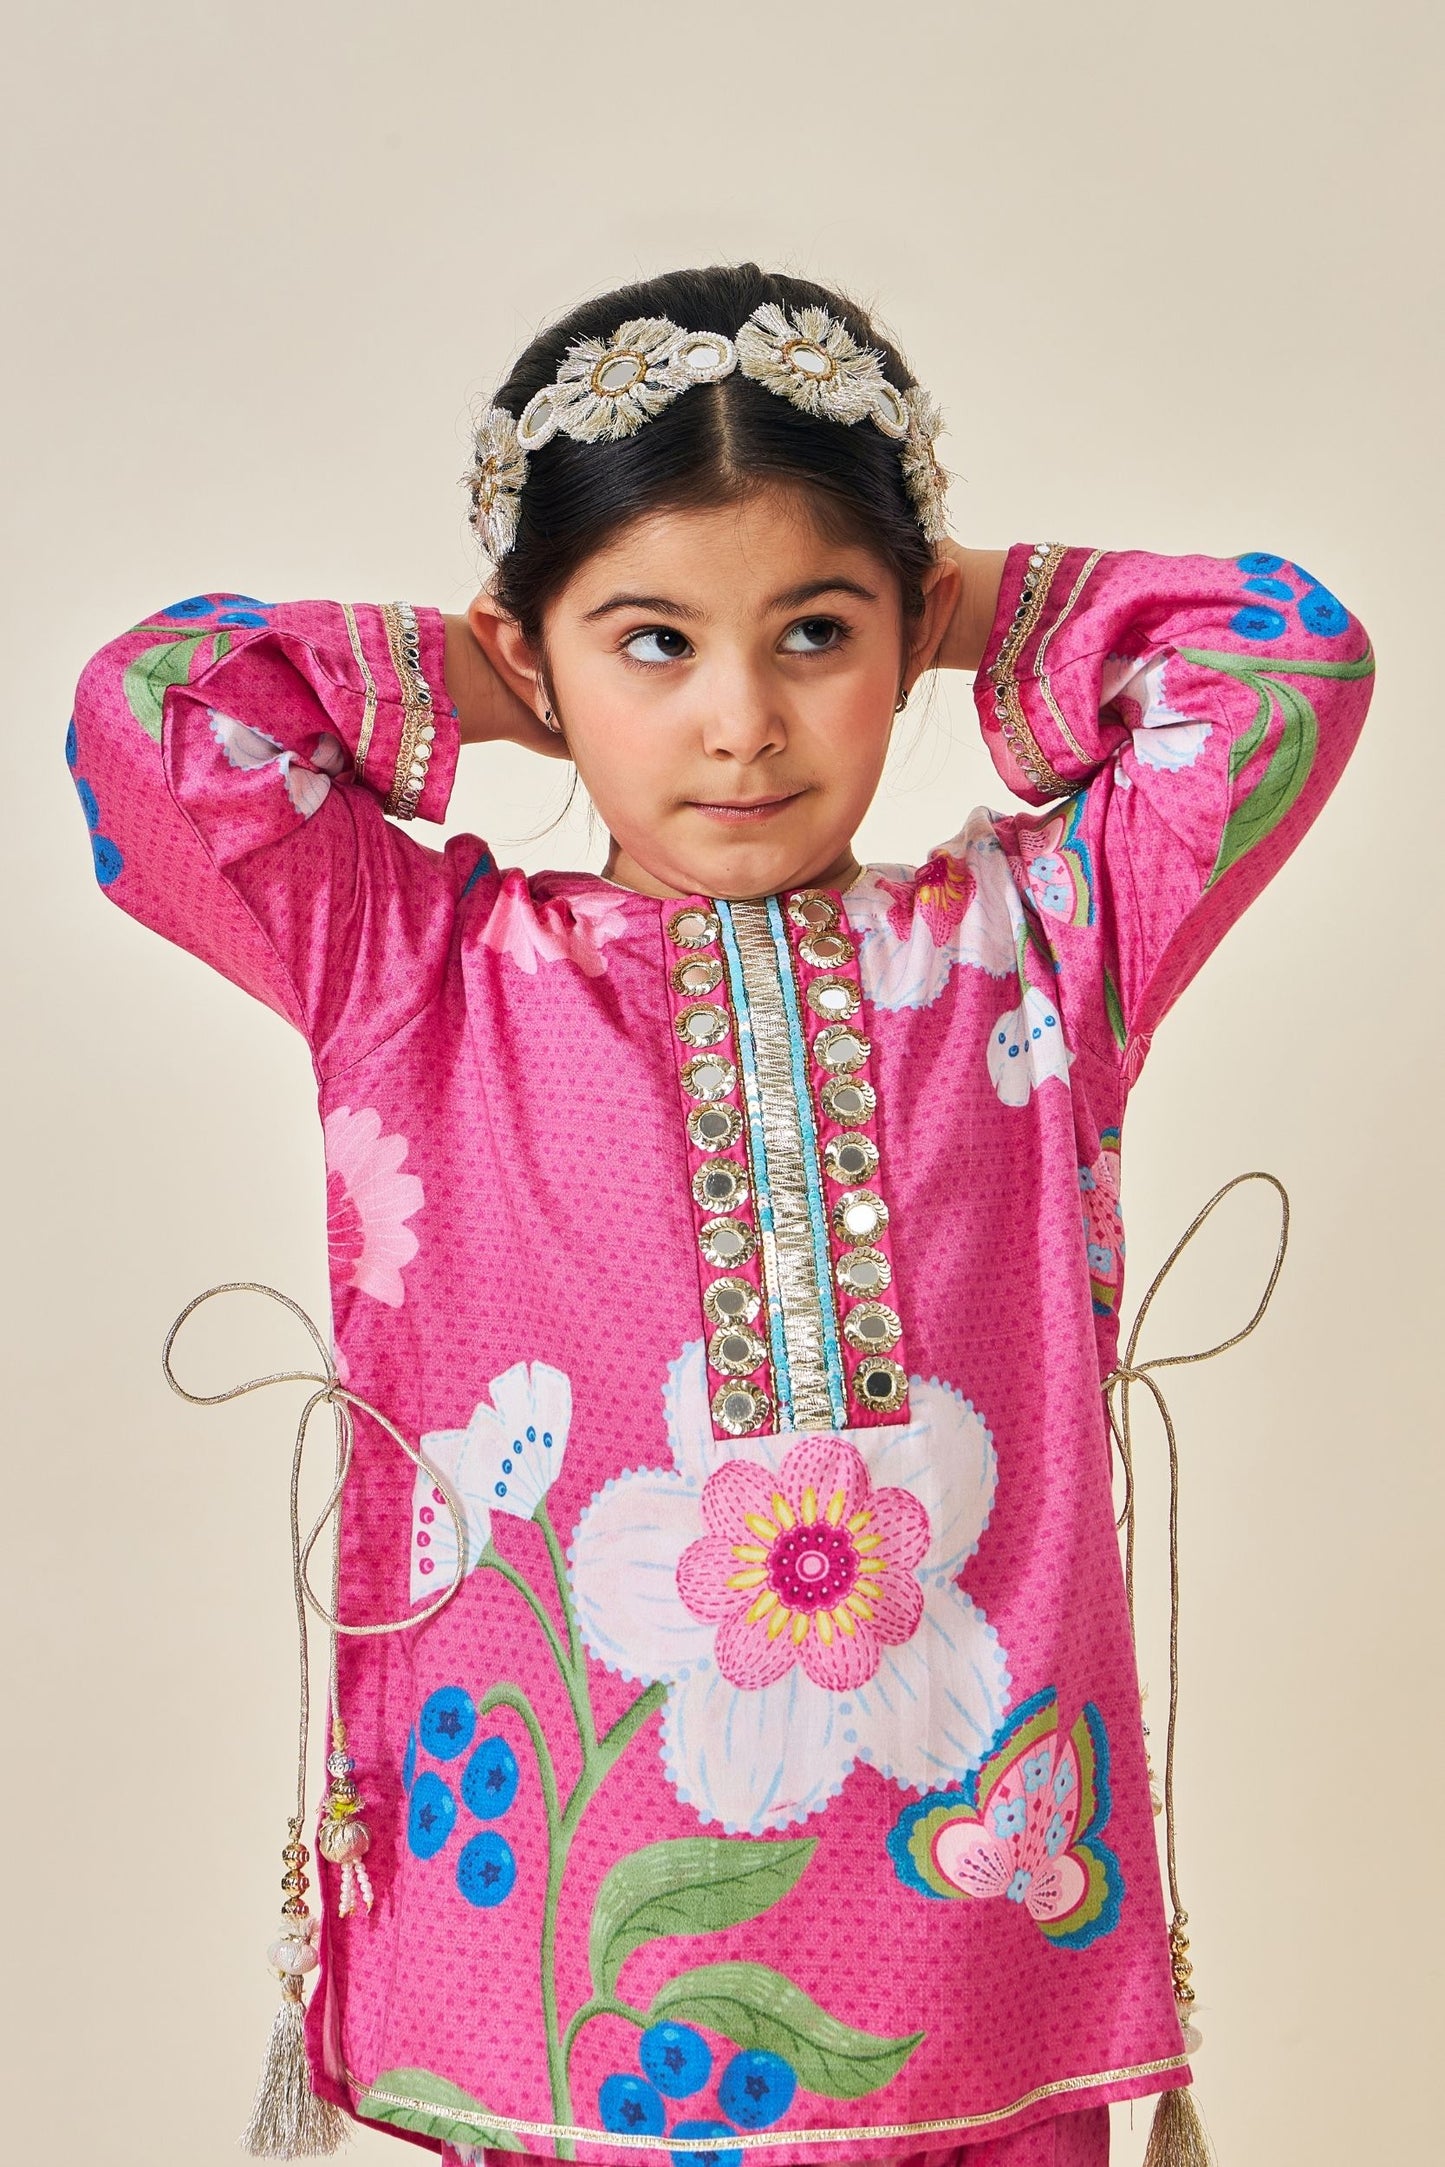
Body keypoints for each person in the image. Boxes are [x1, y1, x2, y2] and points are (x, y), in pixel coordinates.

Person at [67, 264, 1374, 2167]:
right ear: (535, 654)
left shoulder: (1041, 951)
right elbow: (151, 714)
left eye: (815, 632)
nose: (743, 720)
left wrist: (952, 601)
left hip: (977, 1941)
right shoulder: (417, 975)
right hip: (557, 1974)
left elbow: (1288, 665)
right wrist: (510, 675)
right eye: (656, 643)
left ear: (908, 633)